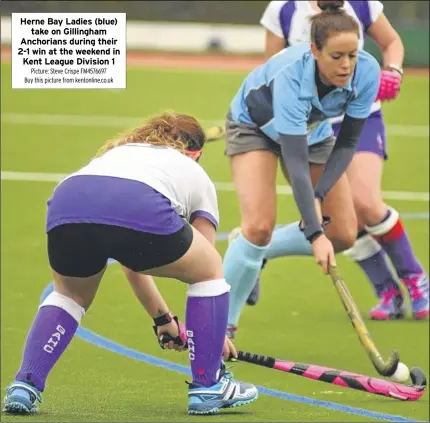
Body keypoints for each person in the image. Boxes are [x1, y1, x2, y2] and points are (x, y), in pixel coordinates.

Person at [3, 112, 258, 416]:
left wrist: (164, 321)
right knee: (210, 273)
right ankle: (208, 384)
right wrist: (213, 338)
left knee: (69, 296)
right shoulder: (194, 173)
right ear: (195, 153)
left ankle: (25, 384)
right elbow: (206, 265)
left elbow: (130, 260)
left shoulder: (119, 152)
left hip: (66, 204)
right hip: (139, 203)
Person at [237, 0, 429, 323]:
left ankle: (416, 279)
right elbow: (273, 70)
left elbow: (392, 42)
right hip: (309, 127)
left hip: (359, 116)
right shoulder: (283, 10)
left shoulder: (361, 4)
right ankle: (387, 290)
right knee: (337, 218)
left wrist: (392, 70)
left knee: (366, 202)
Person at [222, 1, 382, 341]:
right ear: (314, 51)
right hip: (255, 126)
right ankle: (223, 329)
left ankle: (252, 249)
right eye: (337, 56)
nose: (347, 65)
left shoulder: (367, 72)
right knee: (259, 225)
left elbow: (348, 143)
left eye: (352, 55)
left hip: (313, 130)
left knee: (341, 234)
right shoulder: (292, 76)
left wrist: (320, 197)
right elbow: (294, 163)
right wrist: (312, 232)